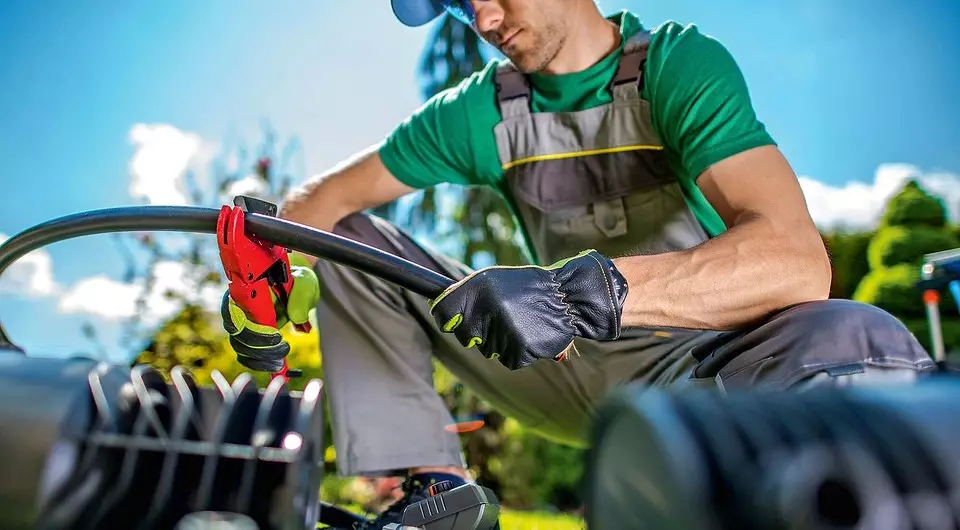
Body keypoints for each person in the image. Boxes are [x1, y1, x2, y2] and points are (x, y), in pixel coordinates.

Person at [220, 0, 937, 526]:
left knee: (850, 333)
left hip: (705, 366)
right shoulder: (480, 112)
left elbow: (795, 260)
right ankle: (437, 502)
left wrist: (575, 293)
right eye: (462, 8)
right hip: (558, 367)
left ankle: (842, 497)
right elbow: (326, 199)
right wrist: (260, 276)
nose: (485, 18)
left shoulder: (677, 66)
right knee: (347, 237)